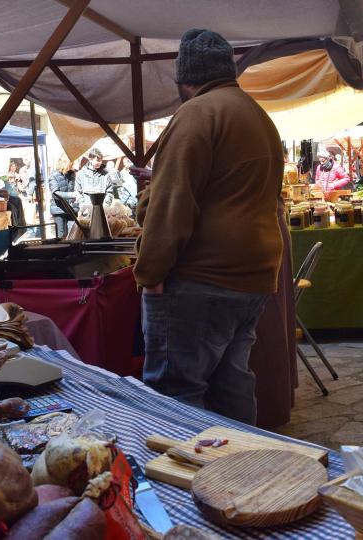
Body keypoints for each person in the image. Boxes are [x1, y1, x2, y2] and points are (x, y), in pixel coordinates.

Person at [132, 29, 284, 425]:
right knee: (230, 385)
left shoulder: (197, 113)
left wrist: (150, 273)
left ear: (186, 78)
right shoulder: (255, 114)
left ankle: (187, 483)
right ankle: (242, 473)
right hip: (252, 277)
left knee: (176, 394)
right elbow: (232, 189)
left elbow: (171, 205)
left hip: (202, 279)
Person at [47, 156, 77, 238]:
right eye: (71, 164)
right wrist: (72, 195)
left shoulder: (72, 174)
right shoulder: (54, 175)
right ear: (65, 163)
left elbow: (76, 188)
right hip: (58, 209)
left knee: (72, 234)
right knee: (60, 235)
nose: (72, 166)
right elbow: (55, 194)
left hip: (71, 209)